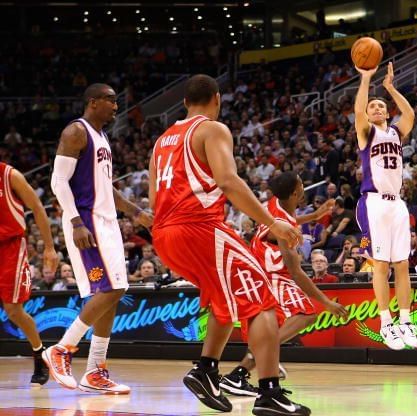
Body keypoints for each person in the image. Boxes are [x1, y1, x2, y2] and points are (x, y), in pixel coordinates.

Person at [149, 74, 309, 415]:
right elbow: (228, 180)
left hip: (164, 235)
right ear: (217, 99)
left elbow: (154, 198)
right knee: (263, 299)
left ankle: (206, 370)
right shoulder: (211, 129)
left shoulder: (162, 140)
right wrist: (272, 222)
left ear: (183, 103)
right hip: (198, 228)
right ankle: (270, 393)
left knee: (226, 298)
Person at [45, 83, 152, 394]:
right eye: (110, 101)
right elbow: (57, 181)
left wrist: (135, 212)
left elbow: (107, 186)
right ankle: (62, 349)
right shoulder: (75, 132)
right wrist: (77, 222)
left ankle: (95, 370)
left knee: (116, 292)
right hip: (87, 222)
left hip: (106, 221)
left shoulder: (102, 136)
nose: (116, 107)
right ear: (92, 102)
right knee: (111, 288)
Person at [219, 172, 347, 397]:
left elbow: (287, 220)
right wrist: (326, 302)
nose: (304, 186)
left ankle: (237, 376)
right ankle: (263, 356)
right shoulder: (284, 231)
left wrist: (315, 216)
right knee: (307, 313)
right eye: (301, 183)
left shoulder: (275, 204)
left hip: (259, 271)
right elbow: (296, 273)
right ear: (296, 192)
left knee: (270, 331)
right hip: (271, 275)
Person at [354, 61, 417, 350]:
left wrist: (390, 88)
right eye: (373, 107)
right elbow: (358, 111)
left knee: (402, 263)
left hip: (397, 203)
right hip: (374, 202)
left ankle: (405, 321)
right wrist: (366, 79)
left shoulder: (395, 132)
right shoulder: (368, 134)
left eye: (381, 106)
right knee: (381, 265)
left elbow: (410, 114)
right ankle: (385, 323)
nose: (377, 108)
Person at [0, 162, 59, 385]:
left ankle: (39, 354)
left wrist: (49, 247)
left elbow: (37, 207)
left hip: (10, 247)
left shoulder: (9, 174)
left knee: (14, 310)